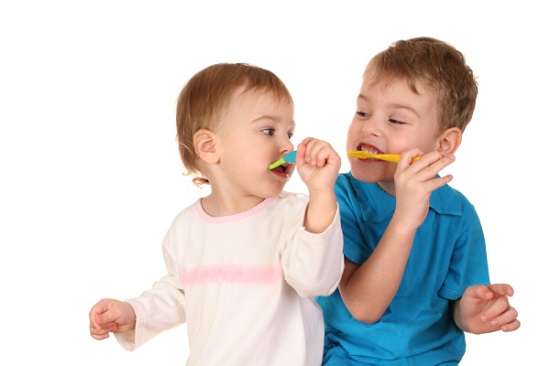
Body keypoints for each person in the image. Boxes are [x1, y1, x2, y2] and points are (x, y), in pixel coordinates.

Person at [89, 63, 345, 366]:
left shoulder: (298, 214)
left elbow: (316, 281)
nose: (288, 145)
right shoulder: (186, 228)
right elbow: (181, 293)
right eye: (268, 131)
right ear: (210, 146)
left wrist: (322, 193)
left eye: (289, 132)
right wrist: (133, 313)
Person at [317, 37, 520, 365]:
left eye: (395, 120)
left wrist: (473, 314)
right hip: (350, 357)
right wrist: (406, 218)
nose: (369, 128)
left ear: (443, 144)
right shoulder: (338, 195)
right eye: (363, 111)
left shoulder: (459, 214)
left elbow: (457, 312)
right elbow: (363, 308)